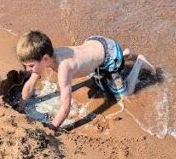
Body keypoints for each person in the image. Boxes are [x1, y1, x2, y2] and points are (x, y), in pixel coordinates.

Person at [14, 30, 153, 129]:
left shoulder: (64, 68)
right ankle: (124, 55)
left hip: (109, 54)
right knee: (97, 76)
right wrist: (20, 106)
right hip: (95, 43)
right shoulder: (46, 54)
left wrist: (52, 127)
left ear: (44, 59)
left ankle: (138, 62)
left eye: (30, 66)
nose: (28, 70)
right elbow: (30, 84)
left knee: (123, 95)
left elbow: (65, 108)